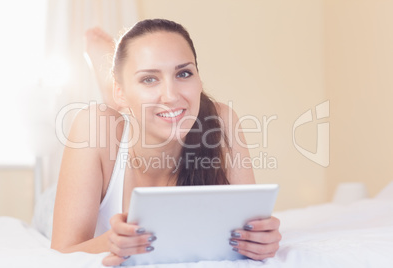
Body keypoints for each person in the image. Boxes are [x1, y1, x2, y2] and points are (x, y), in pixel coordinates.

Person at [51, 19, 281, 267]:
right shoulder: (94, 127)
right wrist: (110, 241)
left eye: (184, 73)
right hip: (84, 187)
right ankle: (110, 77)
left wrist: (262, 238)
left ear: (199, 80)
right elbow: (62, 251)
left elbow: (250, 227)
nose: (171, 96)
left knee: (147, 107)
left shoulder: (221, 121)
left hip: (133, 107)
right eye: (149, 79)